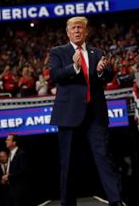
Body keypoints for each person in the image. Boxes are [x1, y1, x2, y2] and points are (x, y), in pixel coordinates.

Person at [49, 16, 124, 206]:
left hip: (95, 114)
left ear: (86, 32)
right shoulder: (58, 52)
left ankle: (116, 201)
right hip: (69, 115)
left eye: (80, 28)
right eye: (73, 28)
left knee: (105, 158)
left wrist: (101, 71)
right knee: (68, 163)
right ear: (67, 32)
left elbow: (107, 76)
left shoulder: (97, 52)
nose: (77, 31)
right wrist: (74, 66)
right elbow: (55, 76)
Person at [2, 134, 28, 206]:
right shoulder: (10, 154)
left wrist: (9, 176)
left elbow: (23, 171)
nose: (6, 141)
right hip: (9, 188)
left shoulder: (21, 154)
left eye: (8, 140)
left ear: (14, 142)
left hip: (18, 189)